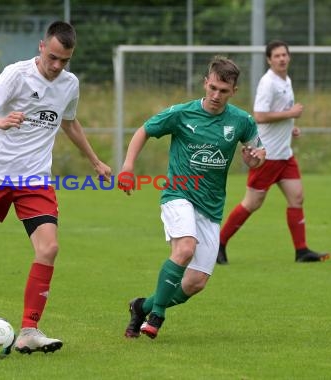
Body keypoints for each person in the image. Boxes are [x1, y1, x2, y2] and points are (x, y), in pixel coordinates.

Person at [0, 21, 111, 354]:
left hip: (35, 180)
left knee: (48, 249)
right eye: (53, 58)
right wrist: (1, 121)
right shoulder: (15, 75)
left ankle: (29, 330)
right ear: (41, 47)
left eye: (65, 60)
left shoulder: (69, 84)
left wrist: (94, 161)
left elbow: (70, 123)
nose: (58, 66)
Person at [118, 56, 265, 339]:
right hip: (178, 194)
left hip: (210, 207)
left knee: (195, 282)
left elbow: (257, 153)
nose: (215, 95)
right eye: (212, 87)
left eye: (223, 91)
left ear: (233, 91)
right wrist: (127, 167)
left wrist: (254, 159)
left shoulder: (241, 121)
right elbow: (144, 130)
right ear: (205, 83)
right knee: (185, 248)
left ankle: (141, 307)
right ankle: (156, 315)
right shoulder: (182, 114)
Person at [217, 40, 330, 265]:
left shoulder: (285, 80)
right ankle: (218, 244)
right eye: (277, 56)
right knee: (251, 203)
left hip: (284, 155)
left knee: (297, 197)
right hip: (266, 156)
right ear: (269, 60)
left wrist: (290, 127)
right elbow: (259, 115)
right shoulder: (268, 83)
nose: (282, 59)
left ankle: (301, 251)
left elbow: (276, 115)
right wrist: (290, 114)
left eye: (284, 55)